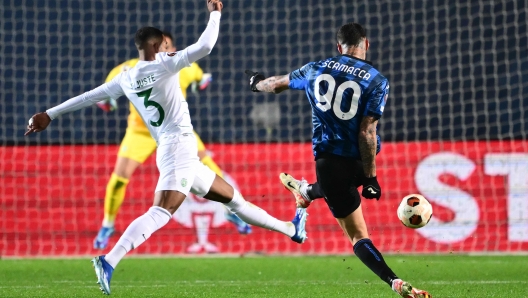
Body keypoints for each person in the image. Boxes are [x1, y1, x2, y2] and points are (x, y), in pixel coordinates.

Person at [26, 1, 307, 295]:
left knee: (234, 200)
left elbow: (87, 96)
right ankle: (108, 260)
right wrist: (215, 13)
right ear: (158, 45)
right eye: (163, 44)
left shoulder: (125, 77)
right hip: (179, 148)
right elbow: (206, 46)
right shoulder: (166, 61)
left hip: (172, 150)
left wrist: (50, 113)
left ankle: (291, 229)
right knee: (161, 211)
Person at [245, 22, 431, 298]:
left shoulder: (316, 67)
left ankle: (307, 191)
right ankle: (308, 192)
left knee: (357, 235)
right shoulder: (377, 80)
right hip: (356, 160)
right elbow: (367, 132)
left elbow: (277, 84)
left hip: (328, 165)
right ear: (366, 44)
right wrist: (370, 178)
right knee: (372, 151)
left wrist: (256, 84)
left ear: (338, 47)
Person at [93, 31, 250, 250]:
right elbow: (105, 99)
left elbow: (201, 79)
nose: (169, 49)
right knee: (119, 178)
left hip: (176, 131)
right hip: (140, 133)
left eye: (170, 45)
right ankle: (107, 224)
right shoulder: (125, 69)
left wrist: (201, 82)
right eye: (164, 45)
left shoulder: (182, 63)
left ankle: (231, 212)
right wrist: (107, 102)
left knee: (211, 168)